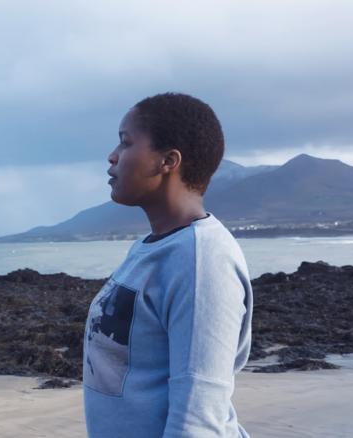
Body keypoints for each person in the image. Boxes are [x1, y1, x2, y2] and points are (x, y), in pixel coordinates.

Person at [82, 92, 253, 437]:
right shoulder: (150, 247)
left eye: (126, 143)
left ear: (168, 161)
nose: (112, 156)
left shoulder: (203, 262)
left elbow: (198, 417)